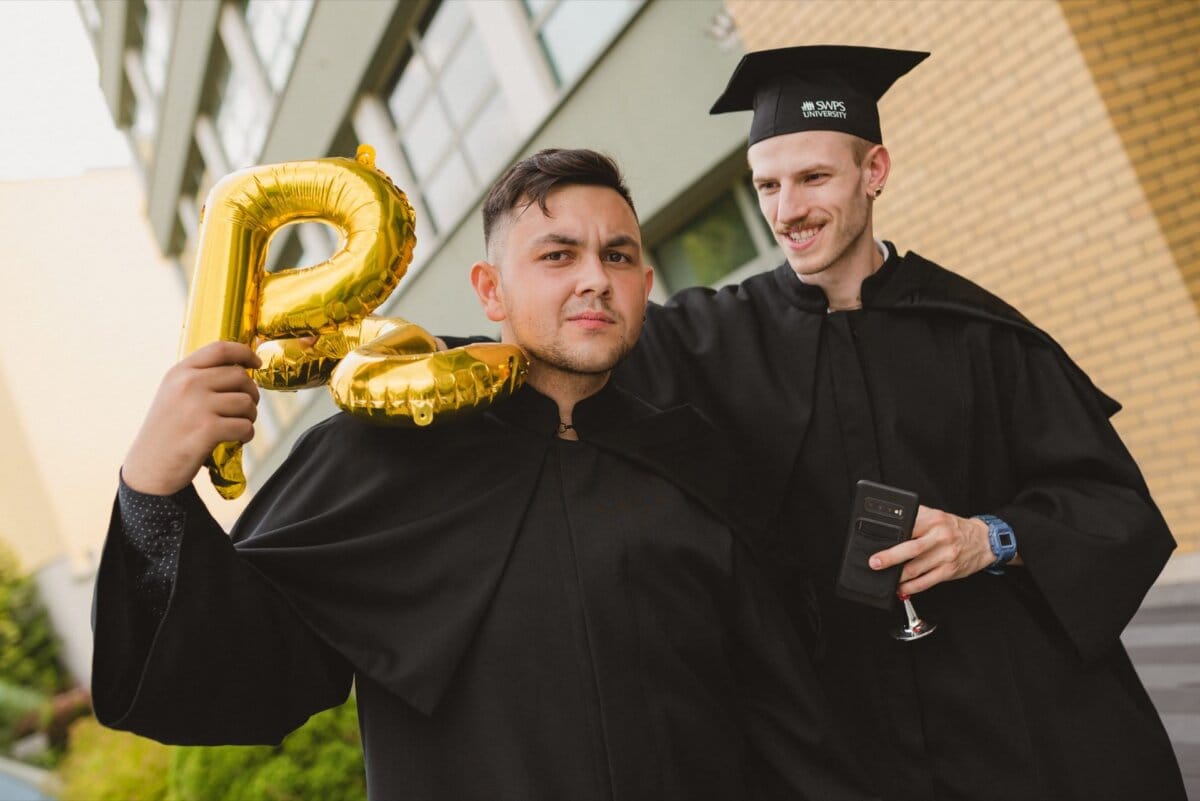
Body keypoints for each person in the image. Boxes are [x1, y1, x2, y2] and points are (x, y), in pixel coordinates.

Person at [92, 149, 873, 801]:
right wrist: (152, 490)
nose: (594, 278)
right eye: (558, 254)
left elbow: (786, 716)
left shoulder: (698, 464)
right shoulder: (378, 457)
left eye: (619, 255)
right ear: (491, 290)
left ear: (644, 286)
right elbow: (238, 666)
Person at [606, 45, 1187, 800]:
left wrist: (989, 539)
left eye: (814, 178)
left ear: (873, 170)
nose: (787, 211)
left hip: (1019, 722)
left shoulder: (979, 332)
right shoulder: (705, 343)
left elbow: (1116, 506)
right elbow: (556, 354)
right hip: (849, 740)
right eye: (767, 185)